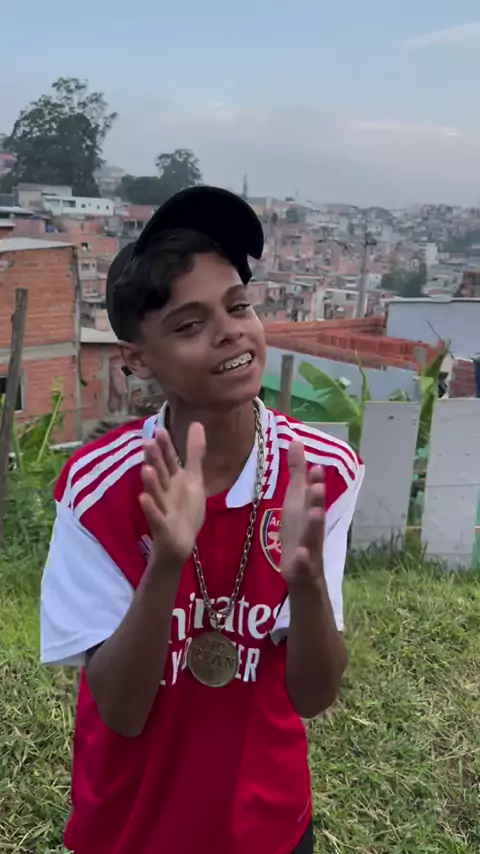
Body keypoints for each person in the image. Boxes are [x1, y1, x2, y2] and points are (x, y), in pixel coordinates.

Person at [40, 186, 364, 854]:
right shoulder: (98, 490)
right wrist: (165, 563)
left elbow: (312, 696)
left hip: (267, 824)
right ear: (137, 359)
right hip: (131, 827)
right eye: (189, 326)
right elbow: (121, 711)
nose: (230, 332)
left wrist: (307, 586)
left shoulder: (320, 471)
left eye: (238, 306)